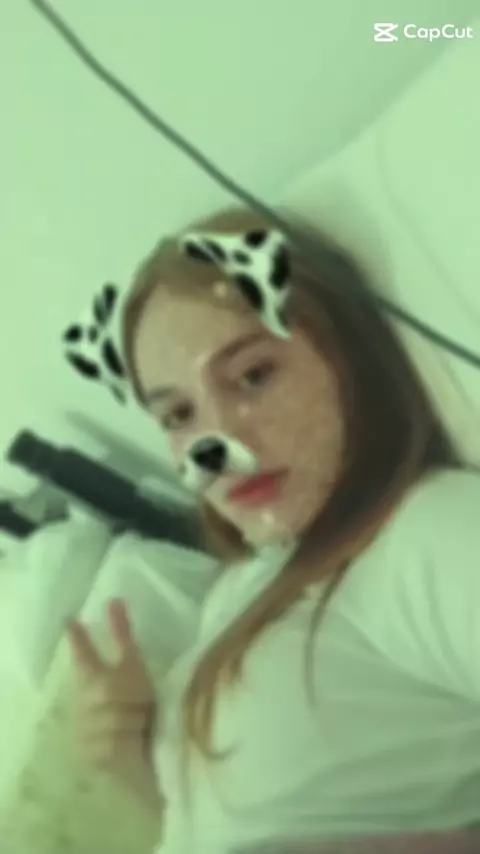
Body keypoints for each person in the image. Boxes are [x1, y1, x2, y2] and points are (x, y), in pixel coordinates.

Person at [65, 206, 480, 853]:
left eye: (253, 376)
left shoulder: (426, 535)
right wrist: (126, 751)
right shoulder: (241, 589)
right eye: (179, 414)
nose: (216, 444)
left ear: (347, 357)